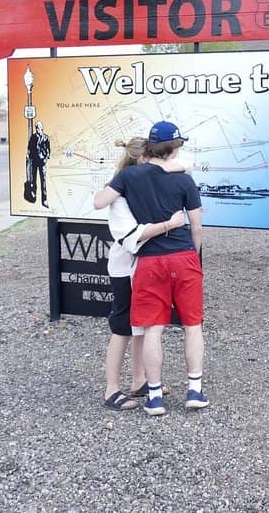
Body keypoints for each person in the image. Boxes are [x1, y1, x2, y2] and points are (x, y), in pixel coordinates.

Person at [93, 121, 207, 416]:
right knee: (183, 326)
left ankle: (150, 390)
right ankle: (190, 389)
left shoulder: (129, 178)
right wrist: (180, 237)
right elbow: (195, 225)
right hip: (164, 257)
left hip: (147, 263)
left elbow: (100, 201)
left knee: (150, 327)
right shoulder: (181, 180)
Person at [27, 121, 51, 208]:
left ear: (42, 129)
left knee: (43, 182)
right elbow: (29, 148)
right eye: (36, 127)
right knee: (34, 180)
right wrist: (29, 155)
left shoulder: (46, 138)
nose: (38, 129)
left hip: (42, 162)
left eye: (39, 128)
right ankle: (33, 196)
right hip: (34, 162)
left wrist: (46, 158)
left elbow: (48, 149)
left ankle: (44, 200)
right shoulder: (33, 137)